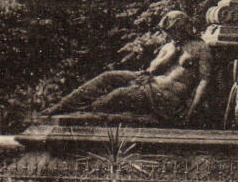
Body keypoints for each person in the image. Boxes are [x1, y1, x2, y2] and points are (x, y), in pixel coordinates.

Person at [44, 11, 210, 126]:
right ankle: (61, 106)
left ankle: (82, 114)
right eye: (169, 32)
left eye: (174, 31)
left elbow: (204, 81)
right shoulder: (169, 46)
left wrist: (191, 112)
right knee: (108, 77)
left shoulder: (199, 48)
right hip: (150, 82)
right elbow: (152, 68)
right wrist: (171, 54)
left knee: (115, 96)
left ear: (183, 28)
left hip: (165, 98)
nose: (171, 35)